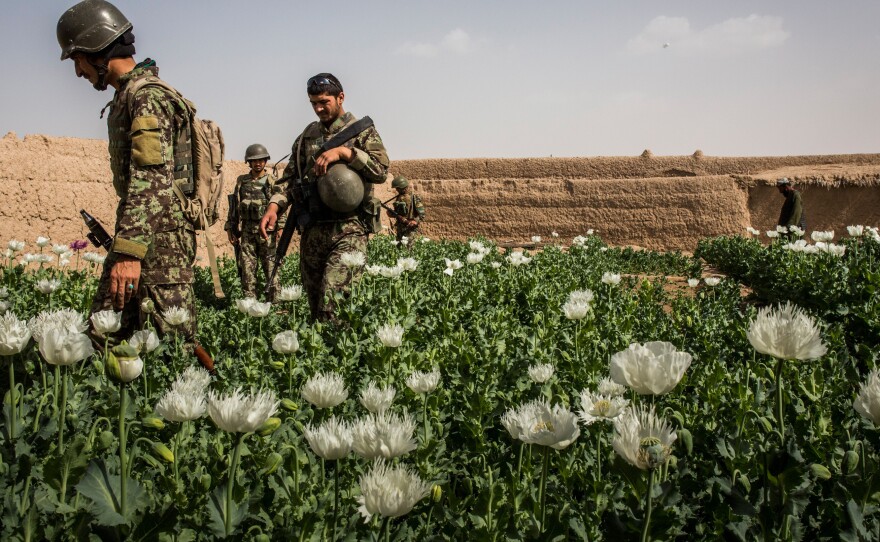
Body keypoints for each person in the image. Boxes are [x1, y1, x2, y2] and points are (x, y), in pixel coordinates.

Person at [57, 0, 198, 344]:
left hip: (160, 245)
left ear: (96, 50)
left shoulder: (147, 98)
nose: (78, 72)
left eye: (77, 60)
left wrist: (129, 253)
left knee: (170, 350)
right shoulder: (128, 96)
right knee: (106, 337)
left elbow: (152, 180)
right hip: (139, 237)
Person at [260, 73, 389, 322]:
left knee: (335, 306)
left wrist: (346, 153)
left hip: (349, 229)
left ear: (340, 97)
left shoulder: (361, 131)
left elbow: (381, 171)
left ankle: (340, 358)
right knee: (314, 303)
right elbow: (289, 180)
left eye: (324, 102)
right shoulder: (306, 138)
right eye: (313, 103)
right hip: (313, 230)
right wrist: (274, 206)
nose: (318, 108)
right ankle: (320, 358)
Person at [226, 144, 284, 301]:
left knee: (271, 268)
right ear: (248, 162)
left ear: (265, 161)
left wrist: (281, 228)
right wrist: (231, 227)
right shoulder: (242, 181)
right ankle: (250, 304)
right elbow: (234, 206)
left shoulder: (272, 181)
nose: (258, 163)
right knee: (247, 270)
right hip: (247, 232)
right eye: (254, 161)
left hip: (267, 233)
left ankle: (275, 304)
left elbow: (280, 205)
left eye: (261, 160)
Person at [388, 176, 425, 243]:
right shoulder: (399, 197)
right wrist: (391, 213)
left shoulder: (414, 197)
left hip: (410, 226)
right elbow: (398, 212)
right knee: (399, 246)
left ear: (402, 187)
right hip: (400, 225)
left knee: (409, 247)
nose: (396, 190)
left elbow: (421, 213)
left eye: (398, 188)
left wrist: (415, 221)